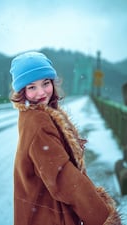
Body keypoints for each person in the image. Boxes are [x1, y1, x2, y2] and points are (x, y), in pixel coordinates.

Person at [9, 51, 121, 225]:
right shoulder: (38, 121)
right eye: (32, 87)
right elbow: (63, 177)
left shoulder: (33, 115)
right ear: (22, 91)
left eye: (45, 83)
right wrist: (102, 217)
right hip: (50, 218)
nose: (41, 93)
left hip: (39, 214)